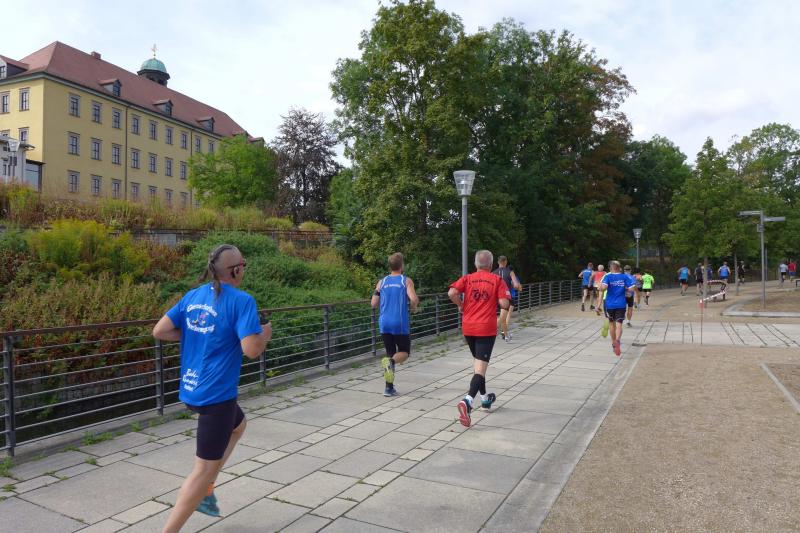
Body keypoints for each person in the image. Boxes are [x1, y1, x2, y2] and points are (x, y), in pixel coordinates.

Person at [153, 244, 272, 532]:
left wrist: (198, 333)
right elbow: (251, 350)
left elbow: (160, 330)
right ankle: (190, 505)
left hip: (191, 388)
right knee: (202, 470)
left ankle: (207, 488)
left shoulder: (193, 296)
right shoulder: (242, 301)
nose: (244, 269)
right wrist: (265, 334)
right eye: (243, 264)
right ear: (236, 270)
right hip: (217, 397)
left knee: (238, 426)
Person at [449, 250, 510, 427]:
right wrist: (501, 301)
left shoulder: (467, 278)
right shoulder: (497, 280)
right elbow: (504, 303)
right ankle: (467, 401)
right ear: (491, 265)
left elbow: (452, 293)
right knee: (480, 370)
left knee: (479, 366)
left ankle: (485, 399)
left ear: (476, 264)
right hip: (485, 329)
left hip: (468, 327)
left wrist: (461, 305)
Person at [371, 252, 419, 397]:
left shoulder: (382, 282)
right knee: (404, 352)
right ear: (401, 265)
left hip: (384, 322)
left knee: (390, 353)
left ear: (390, 266)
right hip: (399, 323)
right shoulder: (406, 281)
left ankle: (388, 388)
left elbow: (373, 303)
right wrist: (413, 307)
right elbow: (414, 299)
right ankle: (391, 362)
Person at [599, 261, 635, 356]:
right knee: (619, 324)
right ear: (619, 268)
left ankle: (613, 342)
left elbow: (603, 288)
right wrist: (626, 288)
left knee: (611, 324)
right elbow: (632, 288)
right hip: (621, 304)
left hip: (609, 304)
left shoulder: (608, 277)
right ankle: (618, 340)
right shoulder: (624, 277)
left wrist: (600, 287)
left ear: (611, 268)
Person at [494, 256, 521, 342]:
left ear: (498, 262)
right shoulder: (510, 272)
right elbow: (516, 285)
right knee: (503, 317)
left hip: (495, 297)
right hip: (505, 297)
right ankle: (489, 332)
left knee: (503, 317)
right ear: (505, 261)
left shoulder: (493, 273)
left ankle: (506, 336)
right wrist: (517, 287)